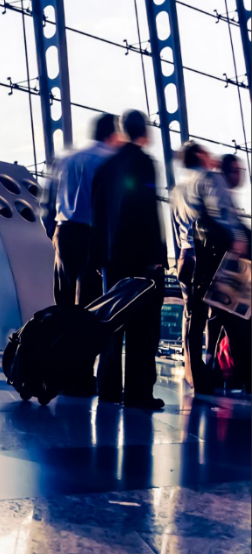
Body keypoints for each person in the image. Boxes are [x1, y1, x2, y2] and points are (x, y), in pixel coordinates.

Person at [91, 110, 167, 410]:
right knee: (144, 327)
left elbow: (97, 214)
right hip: (141, 258)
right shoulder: (144, 162)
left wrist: (99, 258)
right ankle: (138, 392)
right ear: (143, 130)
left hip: (111, 259)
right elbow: (147, 209)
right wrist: (157, 257)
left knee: (112, 321)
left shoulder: (106, 166)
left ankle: (108, 387)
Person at [172, 142, 248, 393]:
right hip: (210, 259)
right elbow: (222, 212)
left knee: (193, 320)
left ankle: (196, 377)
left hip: (186, 259)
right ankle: (241, 375)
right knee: (232, 317)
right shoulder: (209, 179)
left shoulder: (178, 188)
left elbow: (178, 227)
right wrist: (239, 237)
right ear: (198, 155)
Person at [43, 113, 121, 313]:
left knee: (64, 298)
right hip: (94, 235)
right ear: (113, 134)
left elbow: (47, 200)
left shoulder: (67, 158)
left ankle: (62, 332)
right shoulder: (111, 161)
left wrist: (53, 231)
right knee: (91, 301)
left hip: (64, 232)